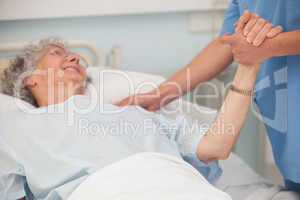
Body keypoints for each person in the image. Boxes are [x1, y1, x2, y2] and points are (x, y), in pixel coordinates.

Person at [0, 36, 260, 200]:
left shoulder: (135, 112)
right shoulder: (18, 127)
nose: (74, 56)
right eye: (56, 53)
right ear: (30, 78)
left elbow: (217, 146)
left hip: (178, 184)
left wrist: (249, 68)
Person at [118, 0, 300, 193]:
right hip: (288, 121)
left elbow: (216, 148)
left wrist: (269, 46)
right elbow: (228, 43)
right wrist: (159, 95)